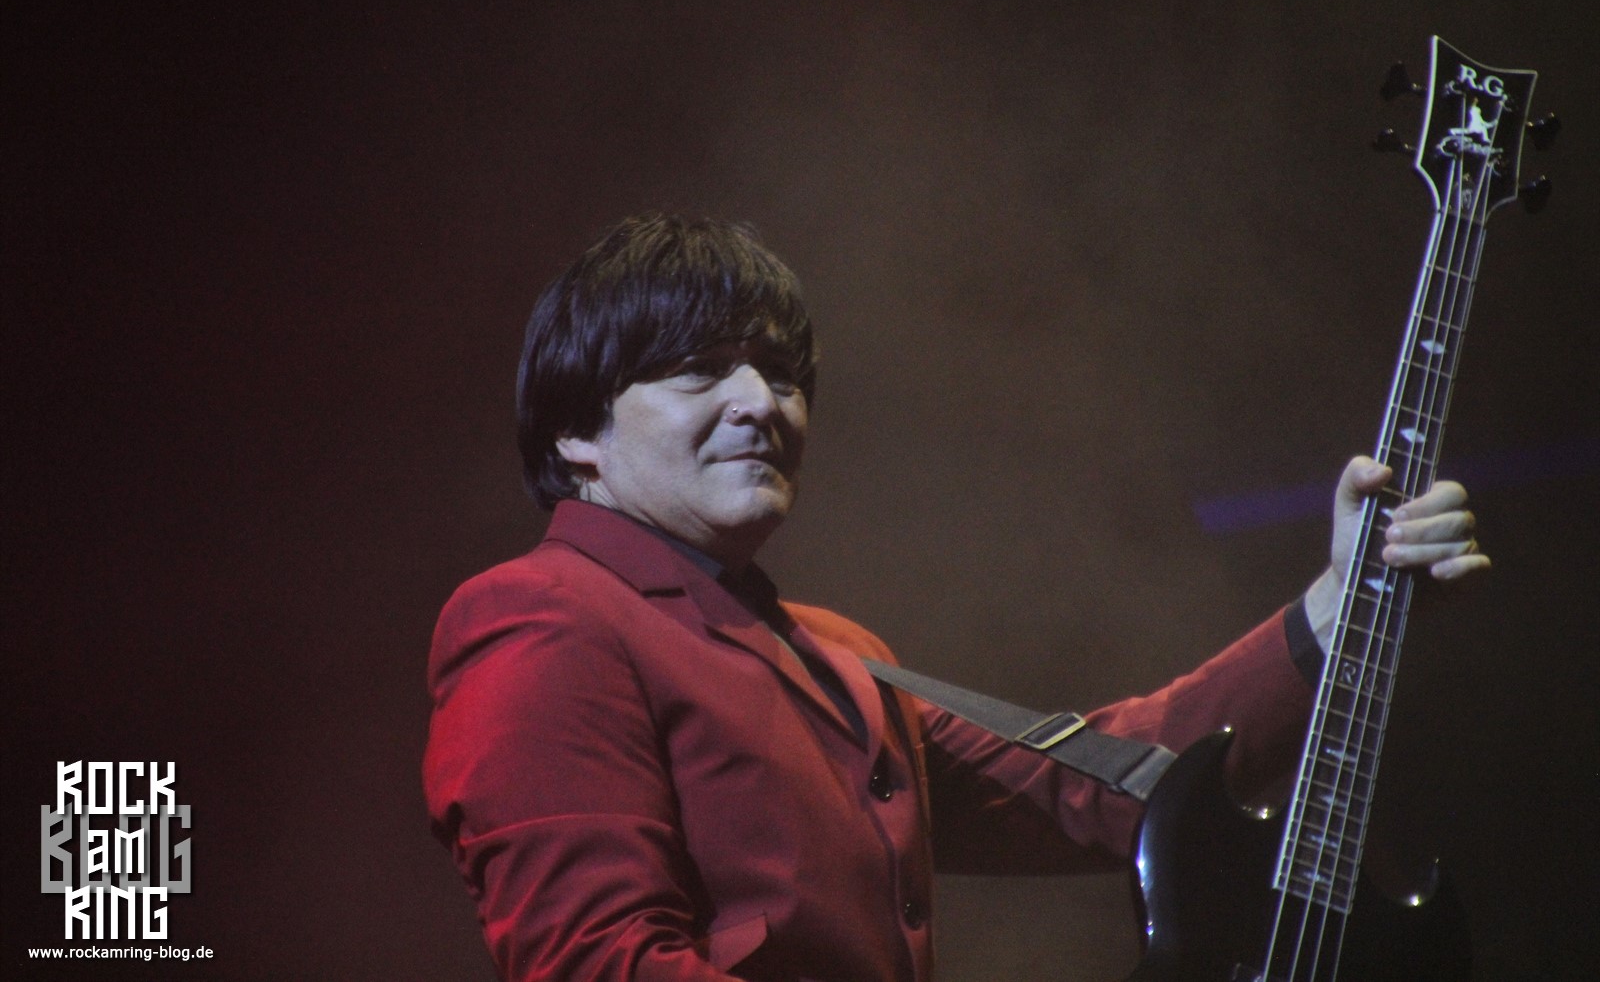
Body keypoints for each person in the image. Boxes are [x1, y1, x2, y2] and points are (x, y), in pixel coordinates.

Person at [422, 214, 1487, 981]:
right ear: (579, 432)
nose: (761, 403)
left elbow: (1103, 791)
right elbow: (597, 961)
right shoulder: (543, 613)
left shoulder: (833, 653)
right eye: (701, 369)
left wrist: (1339, 606)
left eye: (781, 374)